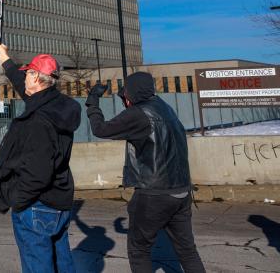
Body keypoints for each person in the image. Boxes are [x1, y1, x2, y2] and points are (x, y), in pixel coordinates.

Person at [85, 72, 205, 273]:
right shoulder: (166, 109)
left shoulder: (138, 113)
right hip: (181, 191)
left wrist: (93, 103)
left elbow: (101, 129)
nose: (125, 101)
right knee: (187, 251)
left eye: (125, 97)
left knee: (139, 251)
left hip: (153, 193)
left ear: (131, 94)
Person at [0, 42, 81, 273]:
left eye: (28, 73)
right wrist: (5, 59)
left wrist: (19, 201)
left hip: (37, 204)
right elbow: (25, 88)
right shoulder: (57, 105)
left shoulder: (39, 120)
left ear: (38, 78)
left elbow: (37, 171)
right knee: (61, 263)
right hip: (59, 199)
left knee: (38, 266)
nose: (25, 77)